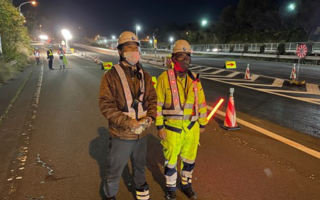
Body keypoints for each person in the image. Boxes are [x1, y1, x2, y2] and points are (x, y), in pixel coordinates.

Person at [99, 31, 157, 200]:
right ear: (120, 51)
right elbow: (105, 105)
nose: (133, 52)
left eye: (135, 48)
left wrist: (150, 117)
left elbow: (152, 99)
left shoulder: (144, 75)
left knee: (140, 165)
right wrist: (128, 122)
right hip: (121, 134)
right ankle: (110, 195)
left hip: (143, 133)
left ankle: (140, 187)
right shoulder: (110, 75)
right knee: (115, 169)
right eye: (128, 48)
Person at [156, 40, 208, 200]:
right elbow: (157, 104)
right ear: (173, 59)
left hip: (191, 129)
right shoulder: (164, 78)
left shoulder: (195, 79)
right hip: (172, 130)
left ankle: (186, 185)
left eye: (187, 56)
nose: (184, 60)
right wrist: (160, 127)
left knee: (189, 161)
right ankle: (171, 188)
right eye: (180, 56)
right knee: (170, 162)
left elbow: (201, 102)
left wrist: (203, 122)